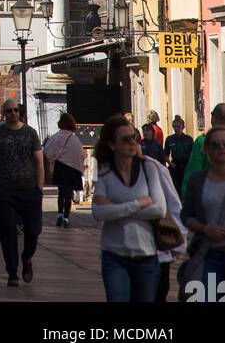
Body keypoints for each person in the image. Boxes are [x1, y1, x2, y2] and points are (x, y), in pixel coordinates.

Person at [92, 113, 167, 303]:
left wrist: (116, 208)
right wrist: (139, 203)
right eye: (126, 139)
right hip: (114, 256)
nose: (133, 143)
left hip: (146, 255)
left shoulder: (148, 168)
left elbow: (159, 209)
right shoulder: (105, 171)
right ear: (111, 144)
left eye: (134, 138)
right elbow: (99, 212)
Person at [0, 100, 44, 288]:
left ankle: (27, 258)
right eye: (9, 111)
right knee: (7, 231)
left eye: (15, 110)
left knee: (34, 230)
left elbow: (39, 161)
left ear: (20, 112)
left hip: (29, 189)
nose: (12, 113)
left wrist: (40, 187)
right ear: (4, 112)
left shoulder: (30, 132)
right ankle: (12, 271)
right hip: (6, 190)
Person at [130, 128, 187, 305]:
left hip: (158, 248)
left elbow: (174, 206)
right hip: (125, 250)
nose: (130, 146)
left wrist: (178, 242)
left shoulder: (156, 169)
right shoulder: (110, 172)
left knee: (158, 294)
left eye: (133, 140)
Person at [180, 124, 225, 301]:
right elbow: (186, 216)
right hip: (209, 254)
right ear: (207, 149)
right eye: (215, 144)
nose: (221, 147)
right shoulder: (197, 179)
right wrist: (205, 228)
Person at [43, 112, 86, 228]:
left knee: (61, 193)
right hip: (72, 170)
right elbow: (81, 155)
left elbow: (48, 152)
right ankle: (66, 218)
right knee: (69, 194)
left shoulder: (55, 137)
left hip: (61, 168)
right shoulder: (75, 139)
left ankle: (59, 214)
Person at [181, 103, 225, 195]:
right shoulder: (202, 141)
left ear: (213, 119)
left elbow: (193, 172)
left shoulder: (203, 141)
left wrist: (187, 196)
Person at [164, 116, 194, 196]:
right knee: (175, 186)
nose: (176, 129)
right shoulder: (170, 139)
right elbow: (165, 154)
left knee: (186, 185)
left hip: (186, 164)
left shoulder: (188, 139)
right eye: (174, 126)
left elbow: (193, 153)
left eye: (178, 126)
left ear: (183, 127)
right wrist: (170, 163)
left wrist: (190, 164)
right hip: (175, 165)